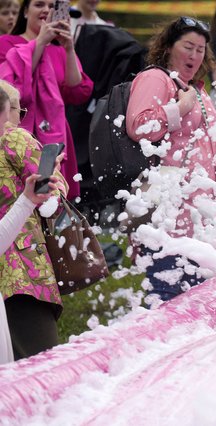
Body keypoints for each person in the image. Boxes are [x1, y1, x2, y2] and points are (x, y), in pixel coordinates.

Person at [125, 17, 216, 302]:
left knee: (194, 294)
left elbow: (198, 142)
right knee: (167, 292)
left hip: (199, 212)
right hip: (169, 212)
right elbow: (138, 126)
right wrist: (180, 107)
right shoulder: (156, 78)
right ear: (168, 47)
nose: (194, 55)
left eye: (200, 49)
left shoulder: (197, 89)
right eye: (188, 46)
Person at [0, 79, 69, 361]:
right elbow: (52, 193)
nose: (18, 119)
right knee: (42, 368)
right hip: (21, 268)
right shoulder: (13, 137)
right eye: (18, 110)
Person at [0, 0, 94, 200]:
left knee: (51, 199)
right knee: (17, 197)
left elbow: (77, 92)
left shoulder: (59, 50)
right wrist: (40, 43)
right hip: (16, 130)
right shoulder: (6, 43)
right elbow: (12, 91)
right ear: (25, 11)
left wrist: (69, 48)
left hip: (54, 135)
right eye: (39, 4)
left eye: (52, 6)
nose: (46, 10)